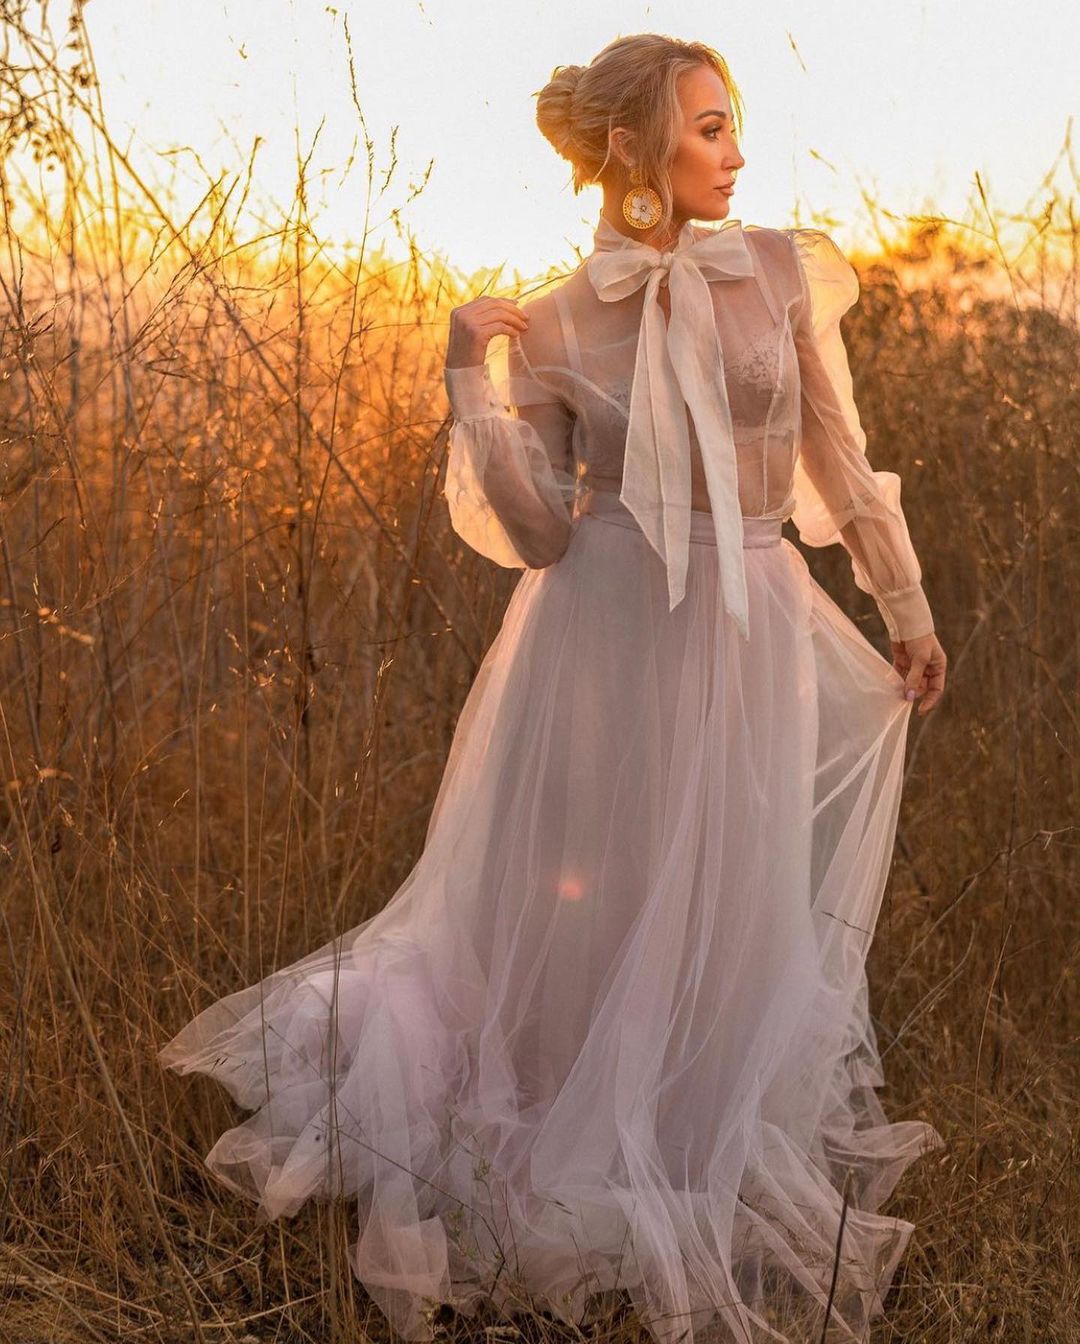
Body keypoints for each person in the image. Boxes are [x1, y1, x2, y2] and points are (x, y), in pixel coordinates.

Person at [158, 32, 948, 1344]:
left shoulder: (774, 269)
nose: (734, 152)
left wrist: (904, 604)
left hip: (753, 624)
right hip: (605, 632)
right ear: (633, 148)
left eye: (733, 123)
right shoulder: (559, 320)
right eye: (707, 128)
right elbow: (536, 535)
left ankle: (698, 1119)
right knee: (607, 888)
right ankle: (571, 1119)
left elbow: (841, 463)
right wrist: (469, 379)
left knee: (738, 882)